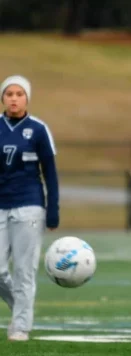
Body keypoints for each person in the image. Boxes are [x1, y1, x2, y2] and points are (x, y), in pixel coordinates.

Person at [0, 75, 59, 341]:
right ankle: (19, 309)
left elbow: (50, 172)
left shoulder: (38, 129)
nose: (13, 98)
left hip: (29, 205)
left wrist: (53, 208)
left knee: (24, 269)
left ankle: (21, 326)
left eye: (19, 93)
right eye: (9, 93)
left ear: (27, 98)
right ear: (3, 98)